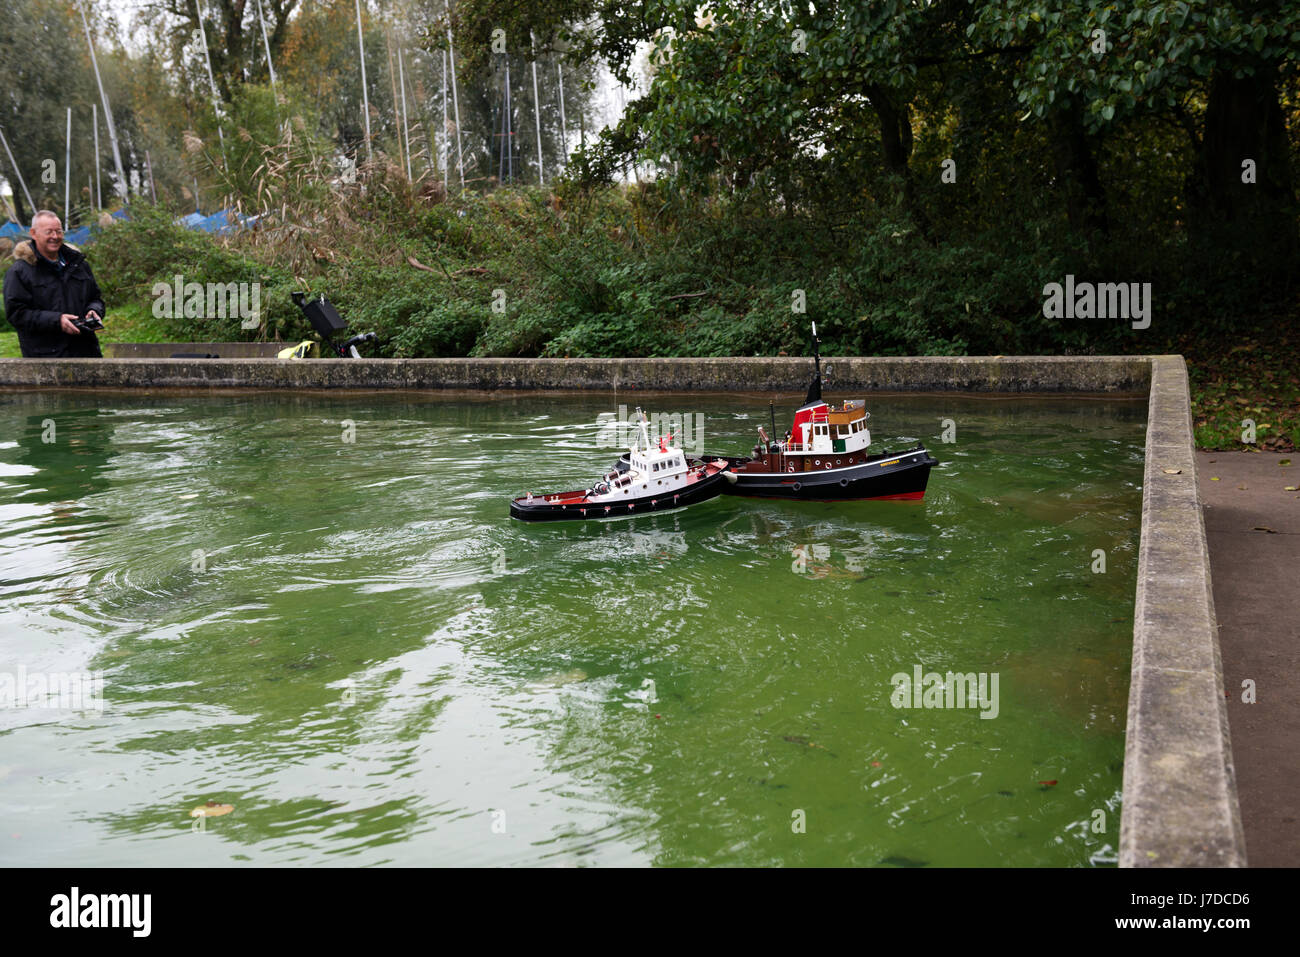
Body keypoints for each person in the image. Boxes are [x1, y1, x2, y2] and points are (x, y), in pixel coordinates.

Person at [3, 210, 105, 357]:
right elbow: (17, 314)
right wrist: (57, 321)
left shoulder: (79, 265)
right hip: (47, 359)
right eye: (49, 232)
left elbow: (96, 298)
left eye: (58, 231)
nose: (55, 237)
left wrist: (94, 310)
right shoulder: (20, 271)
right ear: (33, 233)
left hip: (86, 353)